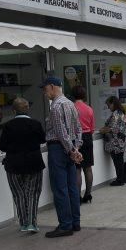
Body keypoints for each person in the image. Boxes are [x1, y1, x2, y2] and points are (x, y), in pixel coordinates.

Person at [41, 75, 83, 238]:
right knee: (72, 186)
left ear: (52, 87)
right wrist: (76, 148)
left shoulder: (56, 106)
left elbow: (60, 132)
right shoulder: (71, 104)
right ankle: (75, 222)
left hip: (59, 149)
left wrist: (71, 150)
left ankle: (65, 225)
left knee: (60, 188)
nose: (45, 94)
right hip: (70, 147)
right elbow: (78, 128)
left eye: (45, 89)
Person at [0, 98, 46, 233]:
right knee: (33, 193)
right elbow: (43, 139)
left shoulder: (7, 126)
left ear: (14, 110)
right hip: (34, 163)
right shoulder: (36, 124)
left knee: (18, 193)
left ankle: (23, 223)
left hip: (13, 164)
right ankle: (32, 223)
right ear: (27, 108)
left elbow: (2, 146)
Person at [72, 86, 95, 204]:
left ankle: (78, 196)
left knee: (77, 168)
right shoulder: (89, 109)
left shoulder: (72, 107)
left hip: (76, 138)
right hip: (88, 137)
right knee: (88, 167)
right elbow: (92, 128)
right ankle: (88, 194)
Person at [100, 96, 126, 186]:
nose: (108, 107)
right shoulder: (120, 112)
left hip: (116, 143)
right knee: (119, 161)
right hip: (120, 142)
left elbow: (111, 128)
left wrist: (102, 130)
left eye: (109, 105)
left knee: (118, 162)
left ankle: (120, 180)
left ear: (113, 103)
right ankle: (121, 179)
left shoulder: (116, 114)